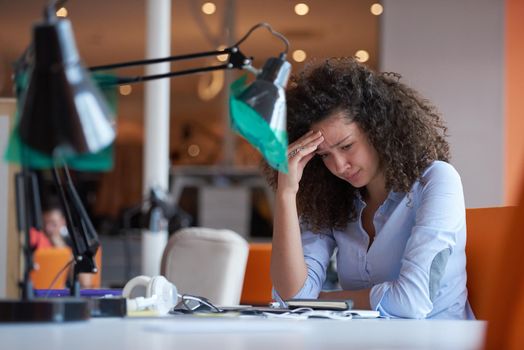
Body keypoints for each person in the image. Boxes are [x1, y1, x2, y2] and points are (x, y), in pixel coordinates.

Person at [267, 57, 474, 319]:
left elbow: (412, 301)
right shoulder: (334, 198)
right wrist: (286, 193)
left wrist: (321, 301)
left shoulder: (437, 181)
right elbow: (292, 296)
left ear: (377, 129)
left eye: (346, 146)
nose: (339, 165)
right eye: (324, 155)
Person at [42, 201, 95, 289]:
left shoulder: (77, 241)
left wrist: (61, 250)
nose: (48, 228)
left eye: (53, 223)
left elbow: (85, 283)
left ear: (63, 221)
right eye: (45, 223)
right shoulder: (39, 241)